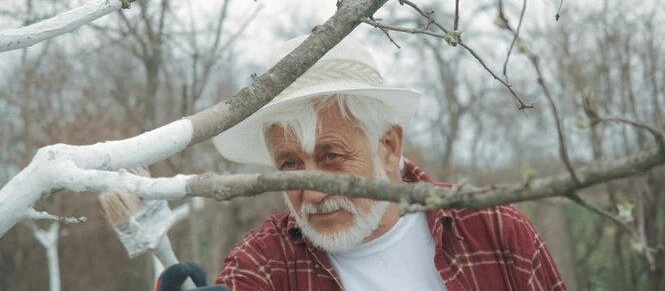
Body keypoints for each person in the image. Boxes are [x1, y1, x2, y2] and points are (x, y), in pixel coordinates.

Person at [210, 36, 567, 290]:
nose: (313, 193)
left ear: (389, 146)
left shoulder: (492, 228)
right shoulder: (265, 263)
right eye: (290, 165)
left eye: (331, 156)